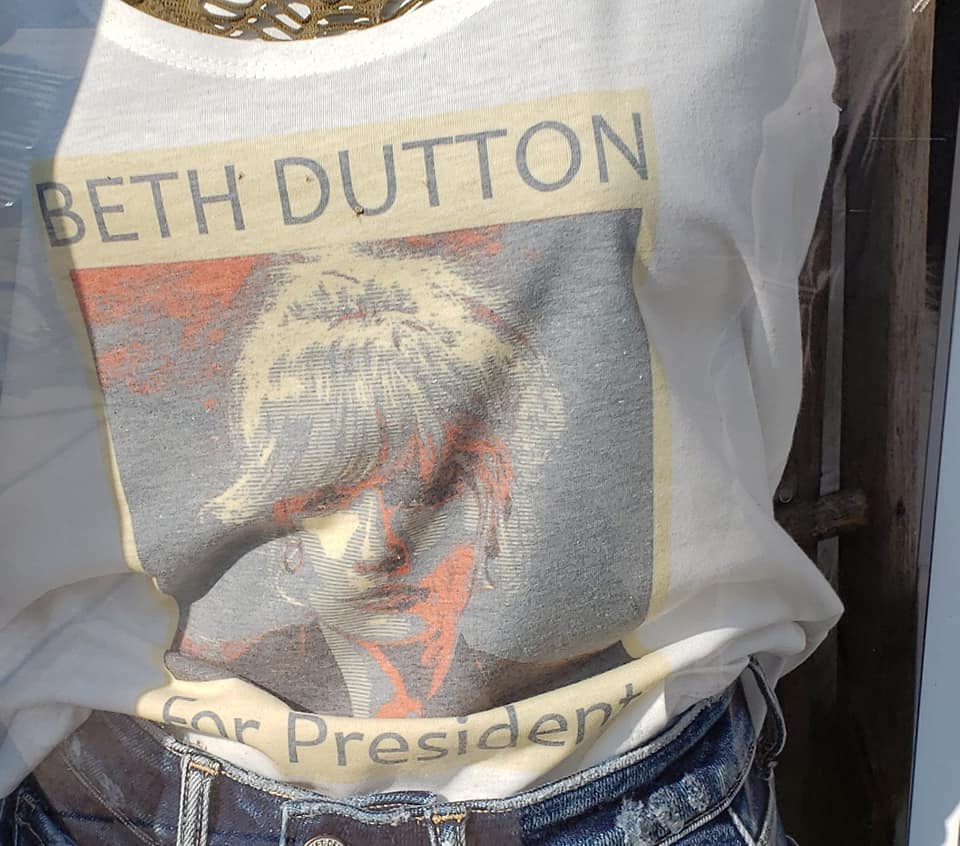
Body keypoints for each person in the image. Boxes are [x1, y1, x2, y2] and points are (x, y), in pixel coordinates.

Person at [0, 0, 843, 843]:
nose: (384, 543)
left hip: (657, 795)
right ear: (285, 536)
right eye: (327, 493)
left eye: (439, 481)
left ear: (497, 507)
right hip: (109, 806)